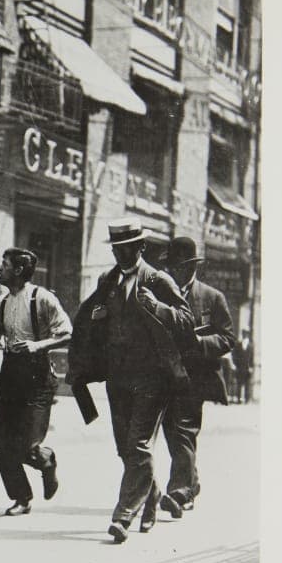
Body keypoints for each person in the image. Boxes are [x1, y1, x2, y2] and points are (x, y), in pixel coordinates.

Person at [66, 219, 194, 544]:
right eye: (116, 249)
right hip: (118, 378)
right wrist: (97, 319)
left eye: (127, 248)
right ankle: (151, 496)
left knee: (138, 444)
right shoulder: (107, 281)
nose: (121, 255)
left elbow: (187, 321)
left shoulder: (158, 280)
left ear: (141, 247)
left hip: (153, 378)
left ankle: (123, 516)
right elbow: (89, 321)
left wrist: (159, 308)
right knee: (125, 448)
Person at [0, 248, 72, 516]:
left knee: (27, 446)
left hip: (38, 377)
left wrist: (37, 345)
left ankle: (46, 460)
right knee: (0, 446)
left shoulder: (42, 298)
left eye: (4, 265)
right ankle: (21, 498)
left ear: (19, 270)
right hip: (11, 374)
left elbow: (67, 333)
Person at [158, 237, 235, 515]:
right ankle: (191, 482)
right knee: (172, 432)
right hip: (164, 376)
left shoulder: (213, 297)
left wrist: (200, 343)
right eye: (172, 267)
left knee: (184, 431)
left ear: (192, 267)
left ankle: (179, 492)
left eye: (181, 266)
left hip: (195, 378)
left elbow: (227, 338)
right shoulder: (160, 294)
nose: (176, 272)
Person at [232, 328, 254, 404]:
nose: (245, 335)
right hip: (239, 367)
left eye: (246, 334)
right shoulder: (238, 344)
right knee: (239, 383)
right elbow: (234, 355)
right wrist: (235, 364)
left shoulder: (250, 346)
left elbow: (252, 357)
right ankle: (239, 399)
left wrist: (251, 367)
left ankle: (247, 399)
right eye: (244, 334)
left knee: (247, 383)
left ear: (248, 335)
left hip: (247, 367)